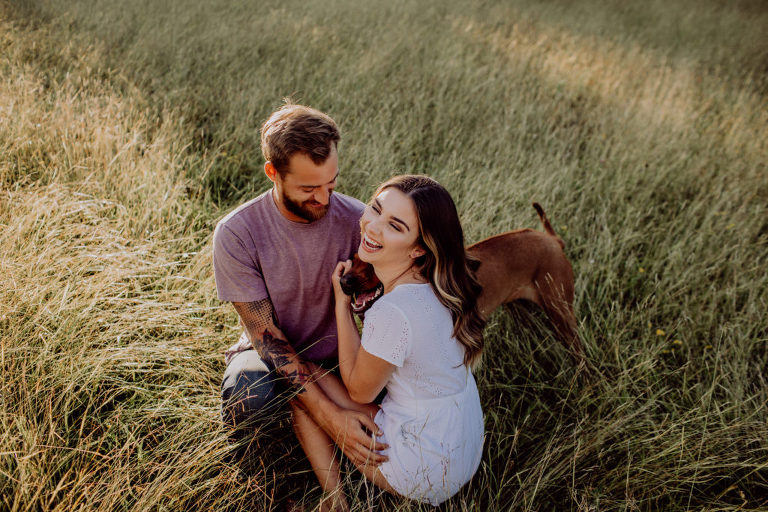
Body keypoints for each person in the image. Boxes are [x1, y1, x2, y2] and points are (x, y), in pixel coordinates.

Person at [213, 103, 387, 473]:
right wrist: (331, 417)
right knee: (248, 395)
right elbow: (265, 336)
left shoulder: (359, 221)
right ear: (272, 173)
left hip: (346, 356)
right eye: (308, 188)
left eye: (331, 183)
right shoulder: (237, 233)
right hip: (269, 353)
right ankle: (270, 480)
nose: (324, 199)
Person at [294, 175, 486, 509]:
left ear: (418, 248)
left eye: (395, 226)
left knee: (301, 386)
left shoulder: (394, 310)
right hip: (463, 448)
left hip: (424, 467)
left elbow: (359, 392)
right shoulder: (442, 288)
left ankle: (335, 502)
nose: (373, 227)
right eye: (376, 209)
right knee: (313, 382)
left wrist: (341, 305)